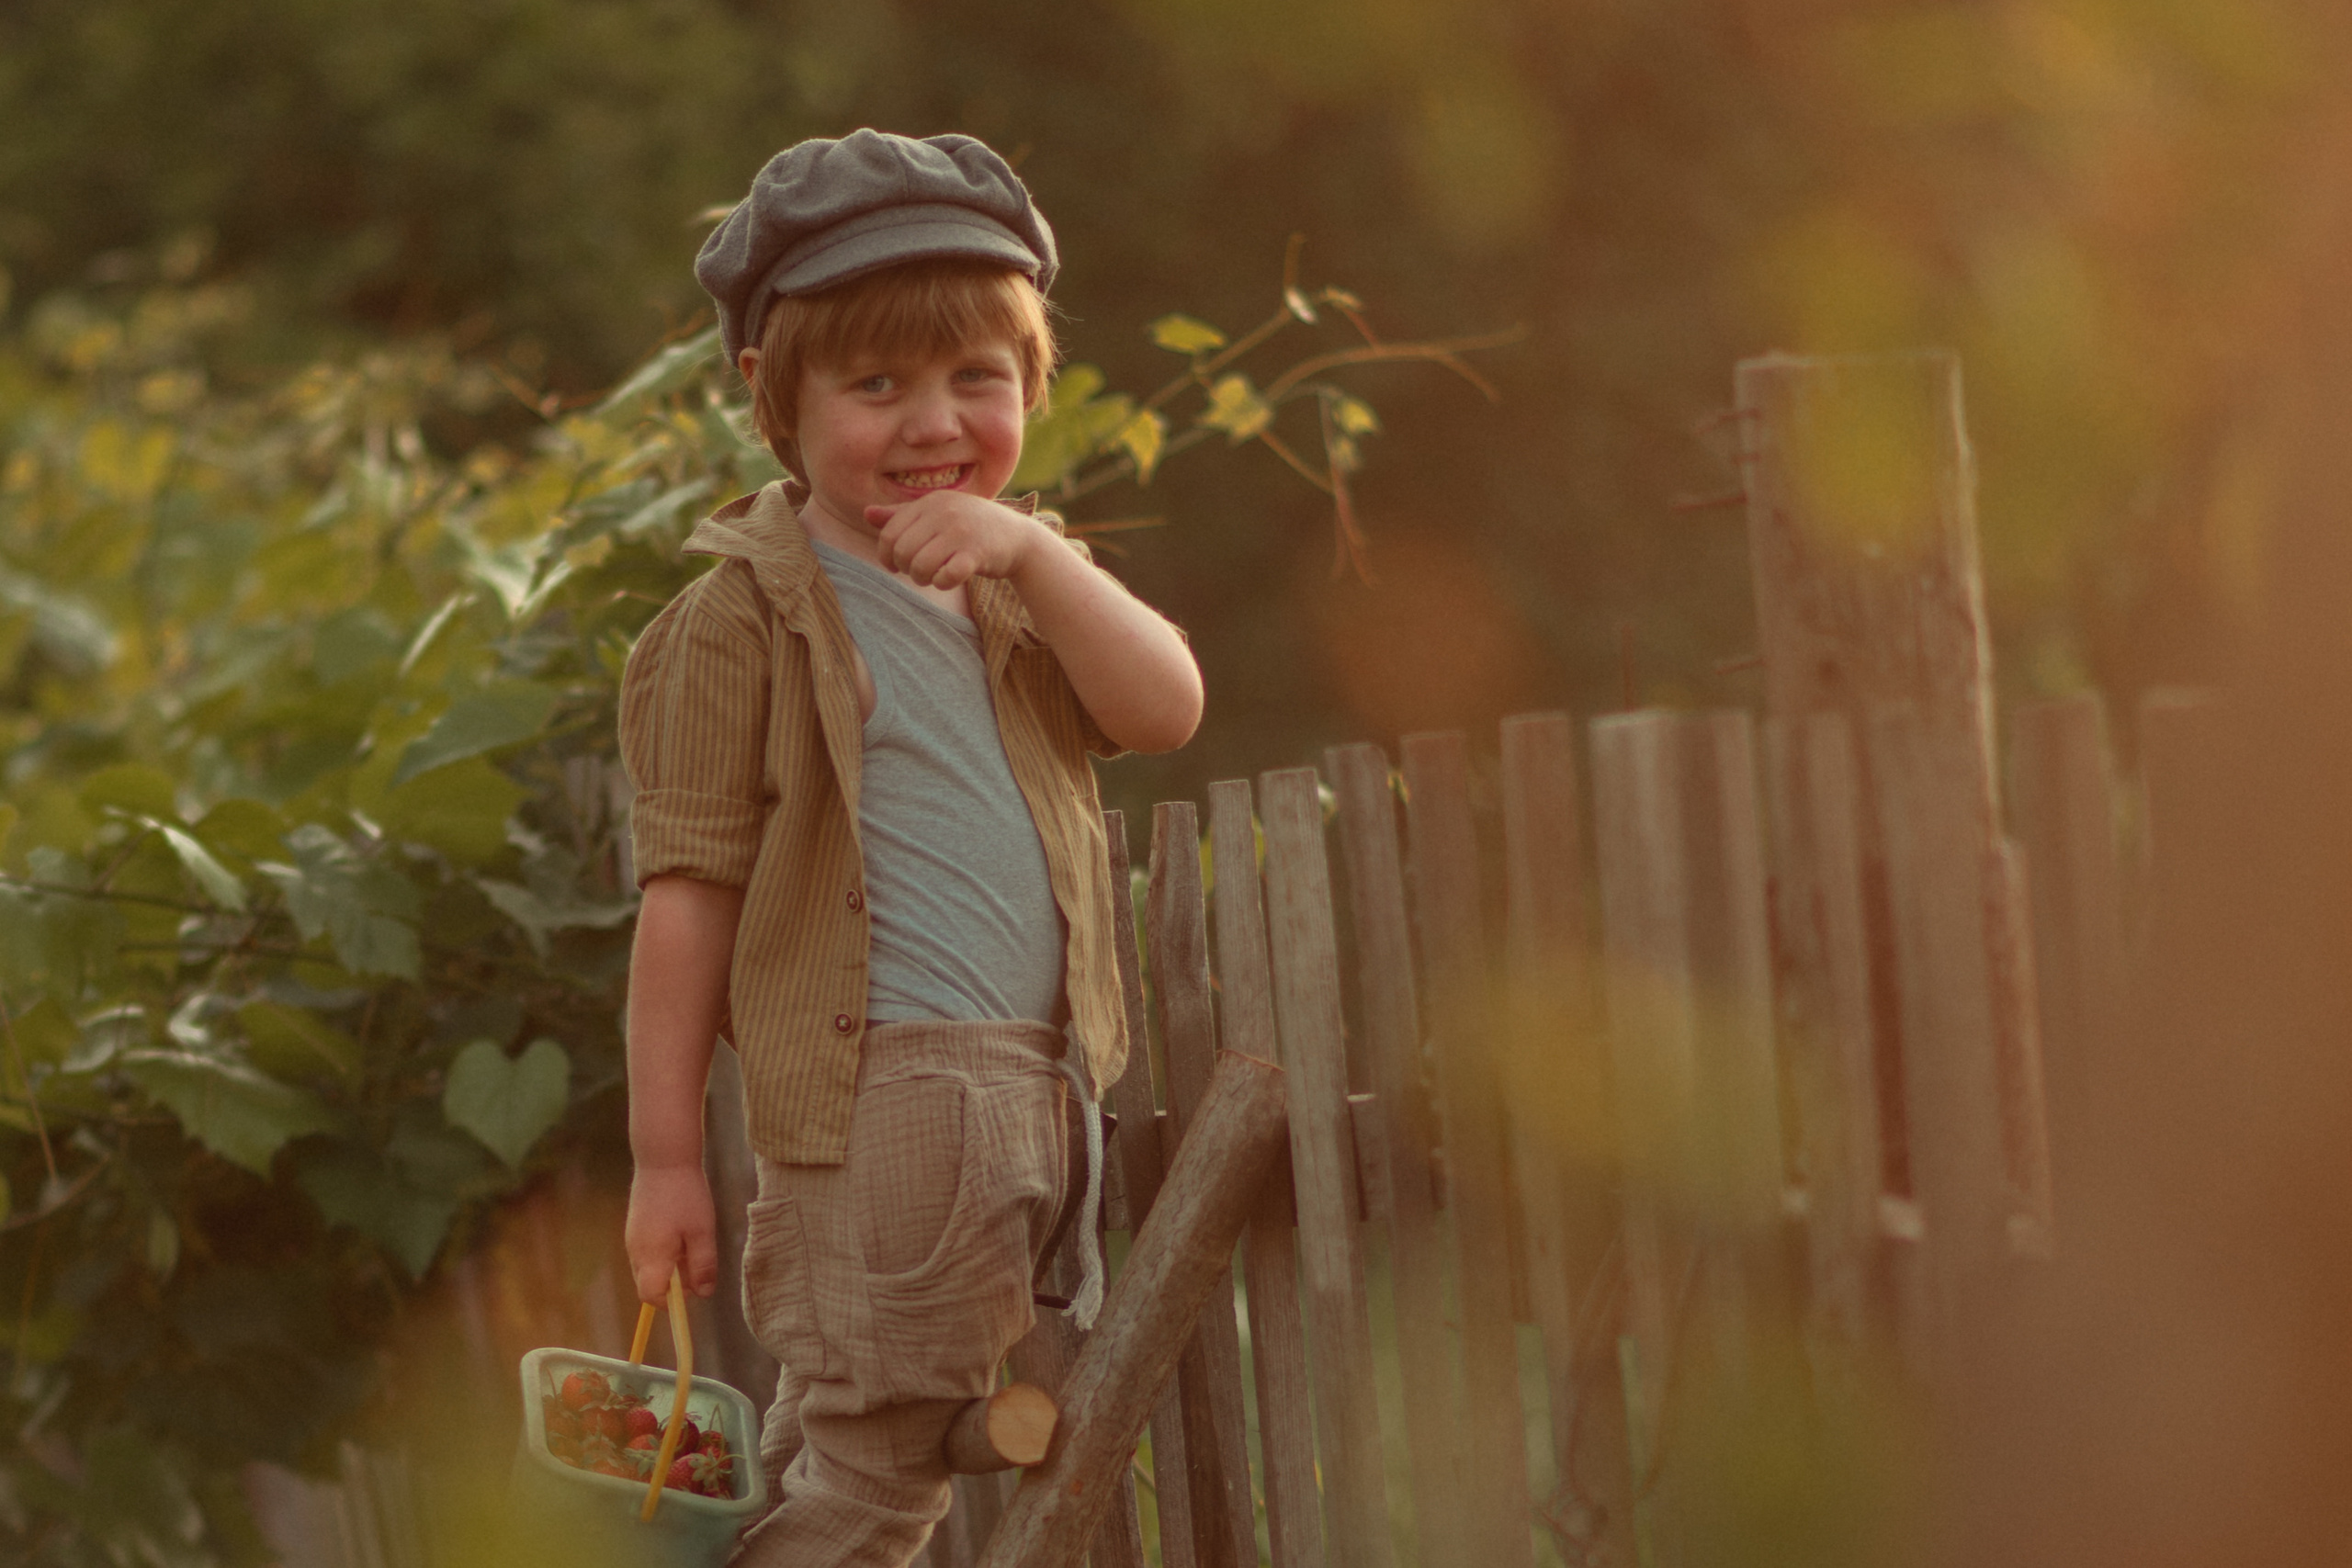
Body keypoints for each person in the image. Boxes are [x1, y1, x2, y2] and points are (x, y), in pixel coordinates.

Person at [616, 130, 1202, 1565]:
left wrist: (1042, 556)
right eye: (877, 385)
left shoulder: (1015, 588)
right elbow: (686, 905)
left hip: (1034, 1093)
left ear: (1030, 386)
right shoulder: (739, 622)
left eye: (976, 380)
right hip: (885, 1114)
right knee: (875, 1485)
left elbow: (1169, 707)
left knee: (859, 1464)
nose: (935, 423)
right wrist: (666, 1159)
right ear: (772, 393)